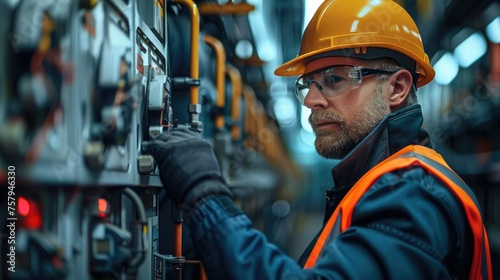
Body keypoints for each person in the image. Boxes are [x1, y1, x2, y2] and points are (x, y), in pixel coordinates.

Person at [145, 0, 493, 279]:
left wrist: (206, 195)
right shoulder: (381, 184)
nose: (312, 100)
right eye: (308, 84)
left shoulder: (413, 194)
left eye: (335, 78)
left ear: (397, 88)